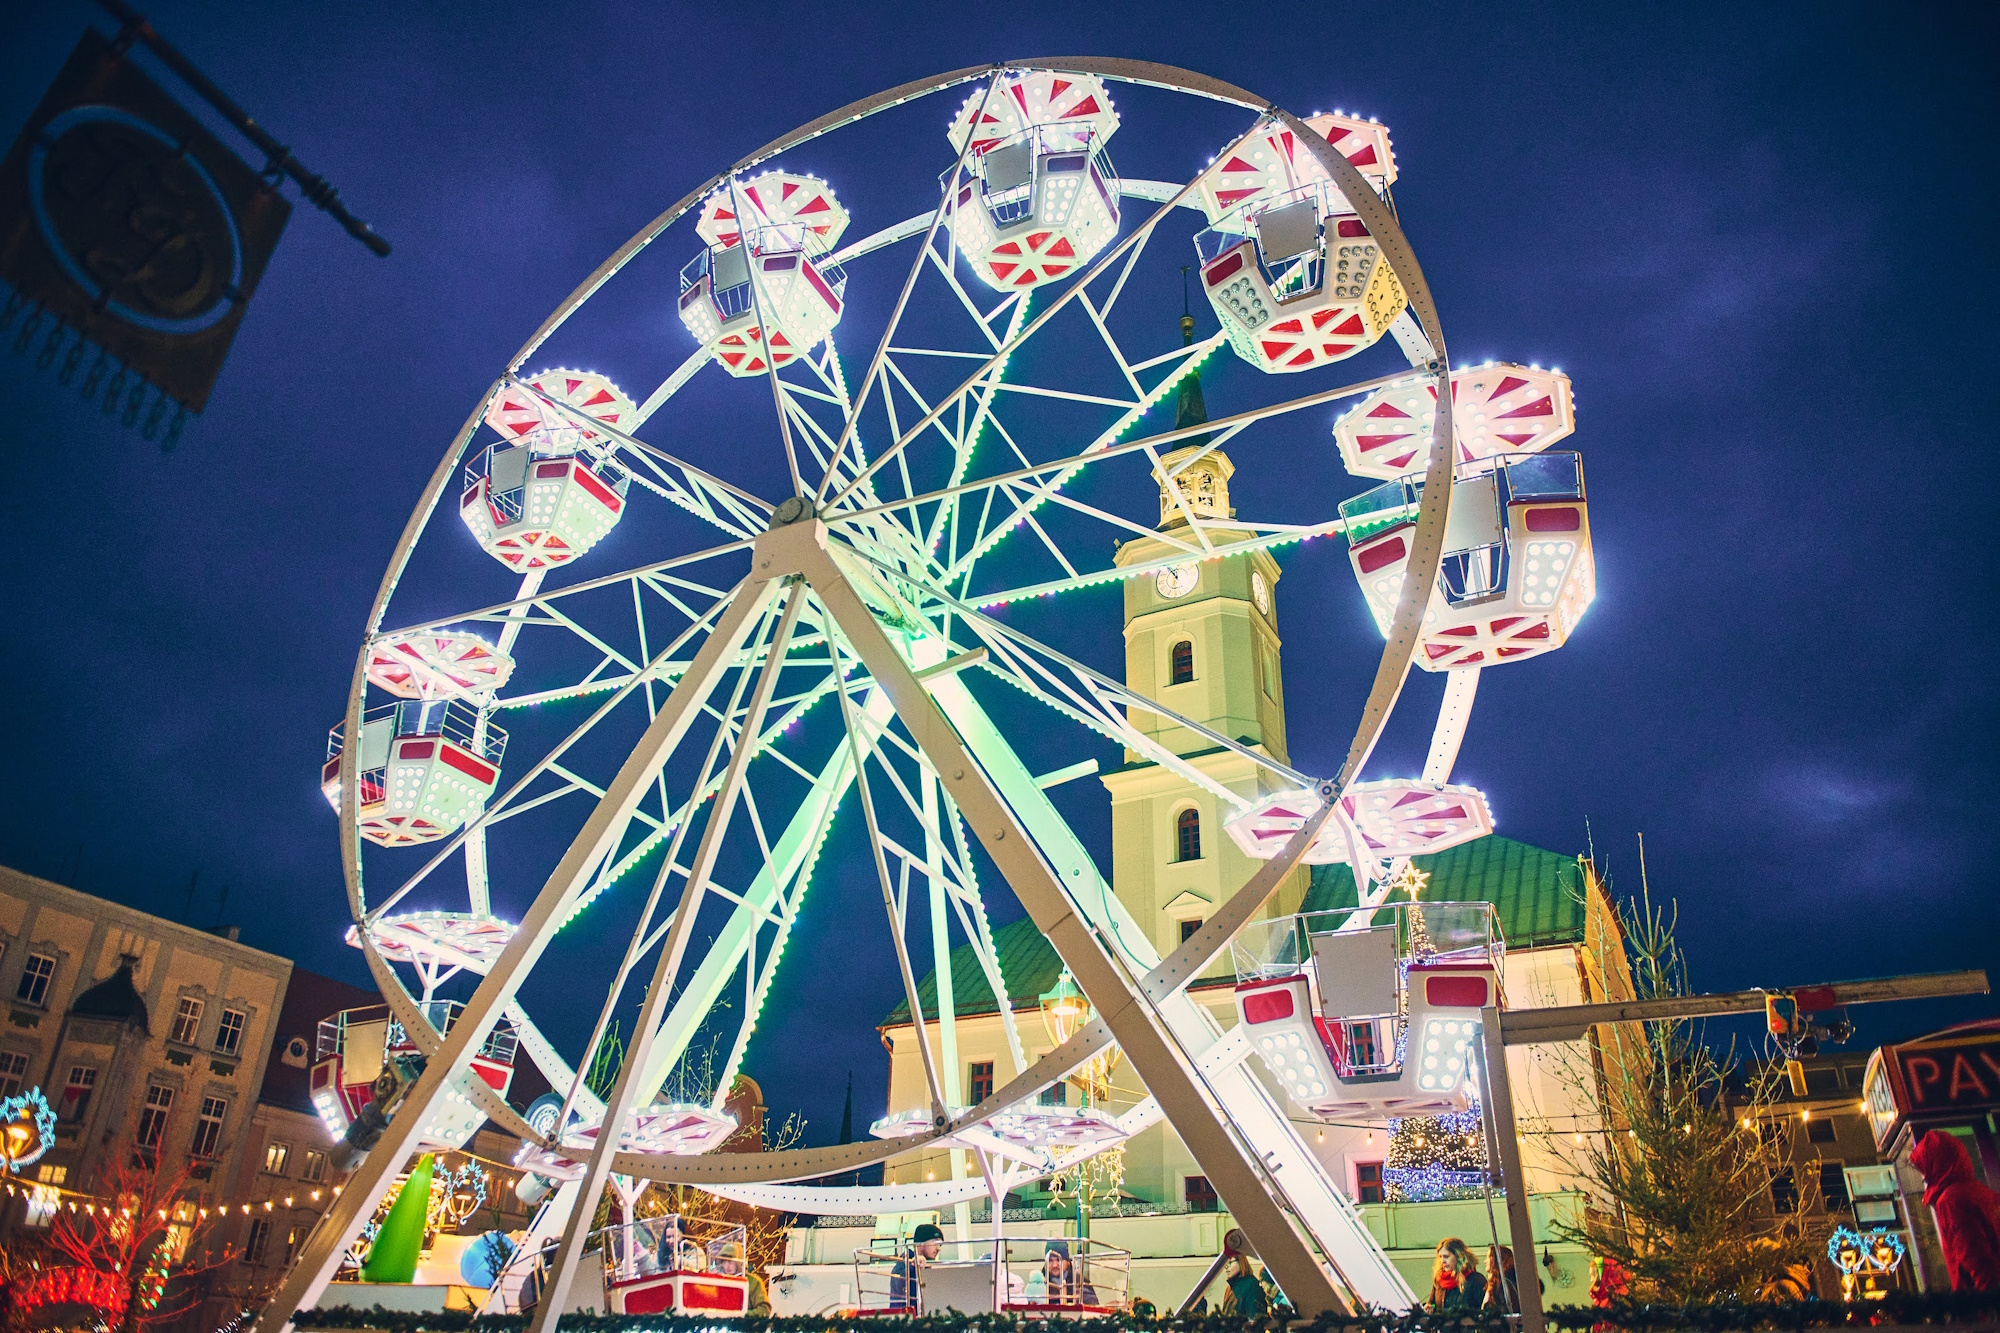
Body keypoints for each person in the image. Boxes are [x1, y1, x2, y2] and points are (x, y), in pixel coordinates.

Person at [1911, 1130, 2000, 1292]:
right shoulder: (1979, 1191)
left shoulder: (1951, 1201)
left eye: (1924, 1168)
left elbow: (1973, 1257)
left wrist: (1988, 1305)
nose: (1923, 1177)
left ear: (1935, 1165)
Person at [889, 1222, 944, 1311]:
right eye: (935, 1243)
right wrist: (913, 1267)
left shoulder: (926, 1265)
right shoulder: (904, 1261)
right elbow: (899, 1284)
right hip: (904, 1318)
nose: (938, 1248)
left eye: (940, 1245)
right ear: (921, 1243)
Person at [1026, 1239, 1097, 1305]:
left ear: (1068, 1262)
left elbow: (1091, 1306)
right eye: (1050, 1260)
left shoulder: (1080, 1281)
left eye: (1059, 1260)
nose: (1054, 1265)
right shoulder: (1037, 1284)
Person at [1428, 1238, 1485, 1314]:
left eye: (1446, 1256)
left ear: (1459, 1257)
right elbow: (1433, 1304)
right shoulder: (1439, 1279)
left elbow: (1484, 1310)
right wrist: (1430, 1307)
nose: (1442, 1261)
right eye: (1440, 1257)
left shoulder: (1475, 1280)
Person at [1484, 1245, 1541, 1312]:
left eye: (1489, 1257)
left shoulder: (1506, 1282)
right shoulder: (1498, 1281)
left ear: (1497, 1259)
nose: (1485, 1261)